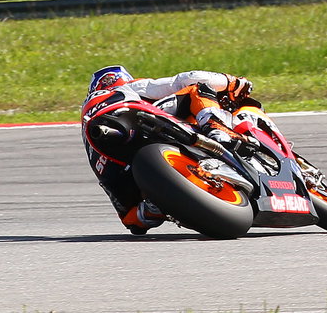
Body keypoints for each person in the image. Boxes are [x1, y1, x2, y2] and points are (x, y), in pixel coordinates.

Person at [80, 65, 258, 234]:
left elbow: (135, 229)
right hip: (135, 119)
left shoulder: (87, 127)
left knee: (131, 219)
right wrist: (233, 83)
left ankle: (151, 209)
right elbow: (186, 79)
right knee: (198, 88)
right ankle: (218, 129)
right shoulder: (127, 88)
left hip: (109, 161)